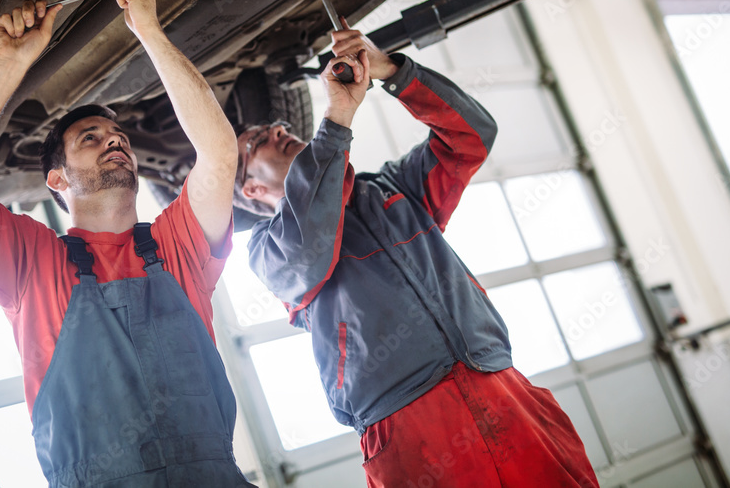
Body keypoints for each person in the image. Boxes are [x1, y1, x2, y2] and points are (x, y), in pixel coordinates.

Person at [0, 0, 254, 487]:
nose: (113, 140)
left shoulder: (174, 245)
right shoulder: (31, 261)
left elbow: (218, 151)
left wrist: (149, 30)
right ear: (57, 180)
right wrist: (10, 63)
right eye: (90, 139)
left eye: (117, 135)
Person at [234, 27, 599, 487]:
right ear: (251, 189)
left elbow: (471, 136)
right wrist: (338, 119)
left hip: (500, 386)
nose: (280, 131)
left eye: (282, 127)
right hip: (407, 423)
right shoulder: (268, 250)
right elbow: (310, 237)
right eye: (259, 141)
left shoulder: (393, 189)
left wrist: (391, 71)